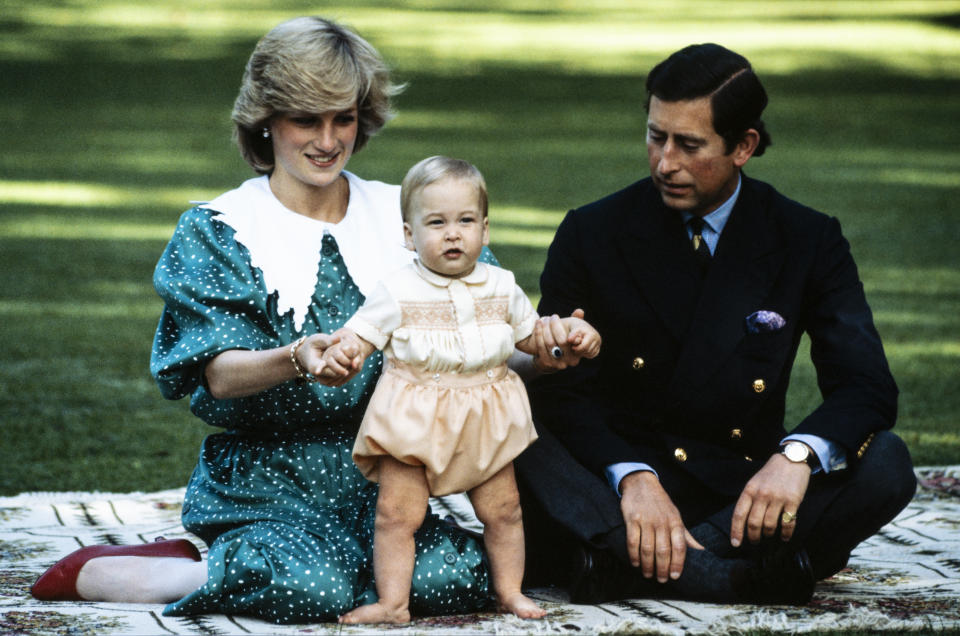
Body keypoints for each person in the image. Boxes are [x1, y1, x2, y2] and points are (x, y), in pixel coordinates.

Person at [29, 17, 571, 624]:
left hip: (389, 471)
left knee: (457, 577)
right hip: (269, 473)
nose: (328, 139)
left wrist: (547, 353)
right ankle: (167, 569)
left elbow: (491, 342)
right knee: (311, 588)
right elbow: (218, 375)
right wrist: (296, 357)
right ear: (266, 120)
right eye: (306, 119)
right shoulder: (220, 230)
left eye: (343, 117)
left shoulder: (414, 217)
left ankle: (248, 566)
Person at [514, 43, 917, 605]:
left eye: (689, 144)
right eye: (656, 136)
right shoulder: (592, 231)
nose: (664, 162)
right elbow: (565, 393)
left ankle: (619, 565)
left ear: (744, 145)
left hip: (738, 494)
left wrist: (795, 457)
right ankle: (732, 577)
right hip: (615, 489)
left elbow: (866, 385)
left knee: (887, 462)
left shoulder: (807, 238)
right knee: (511, 401)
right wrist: (633, 477)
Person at [321, 156, 601, 623]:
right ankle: (393, 602)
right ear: (409, 236)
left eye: (465, 221)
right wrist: (343, 348)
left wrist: (568, 337)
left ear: (485, 230)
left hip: (485, 414)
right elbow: (362, 333)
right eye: (436, 223)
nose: (453, 233)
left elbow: (531, 338)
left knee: (505, 510)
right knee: (397, 514)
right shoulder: (397, 289)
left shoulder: (501, 285)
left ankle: (509, 591)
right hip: (414, 415)